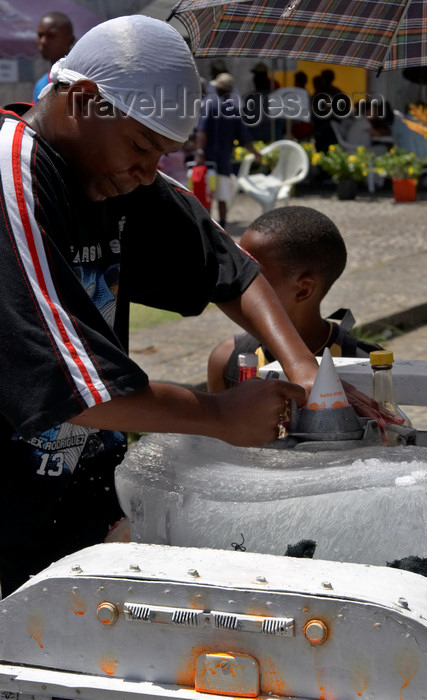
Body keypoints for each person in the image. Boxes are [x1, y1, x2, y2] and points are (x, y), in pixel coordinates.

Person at [0, 15, 328, 597]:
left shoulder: (117, 175)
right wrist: (219, 416)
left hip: (77, 497)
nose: (147, 172)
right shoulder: (13, 170)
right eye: (142, 147)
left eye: (163, 155)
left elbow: (229, 267)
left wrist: (304, 367)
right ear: (83, 101)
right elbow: (71, 388)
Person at [208, 206, 383, 391]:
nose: (238, 281)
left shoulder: (367, 364)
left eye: (253, 276)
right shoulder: (228, 359)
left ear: (303, 290)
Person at [196, 72, 261, 228]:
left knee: (207, 195)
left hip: (208, 160)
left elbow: (202, 132)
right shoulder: (233, 110)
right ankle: (222, 226)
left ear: (217, 89)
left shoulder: (210, 105)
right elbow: (245, 139)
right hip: (224, 161)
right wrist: (257, 154)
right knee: (222, 197)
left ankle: (208, 226)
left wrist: (199, 152)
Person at [33, 11, 75, 102]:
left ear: (70, 40)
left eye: (51, 36)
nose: (43, 41)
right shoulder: (41, 85)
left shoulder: (81, 80)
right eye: (40, 35)